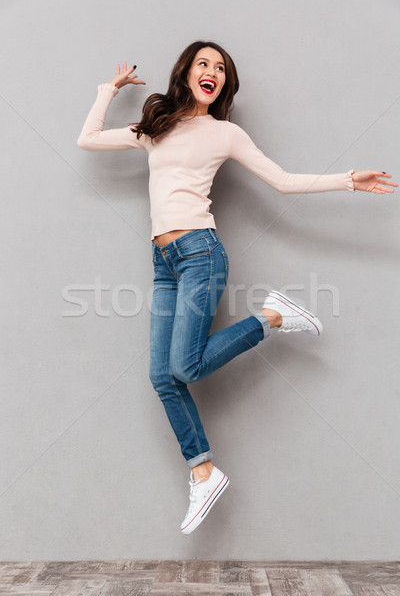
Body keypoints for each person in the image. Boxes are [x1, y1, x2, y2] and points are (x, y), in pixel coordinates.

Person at [77, 41, 397, 535]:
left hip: (202, 253)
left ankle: (270, 316)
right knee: (163, 378)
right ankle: (202, 471)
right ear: (185, 73)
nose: (213, 72)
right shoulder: (155, 128)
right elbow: (88, 139)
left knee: (184, 366)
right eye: (204, 64)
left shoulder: (224, 133)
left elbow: (284, 181)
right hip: (164, 262)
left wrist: (350, 180)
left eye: (221, 68)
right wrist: (107, 89)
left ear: (224, 83)